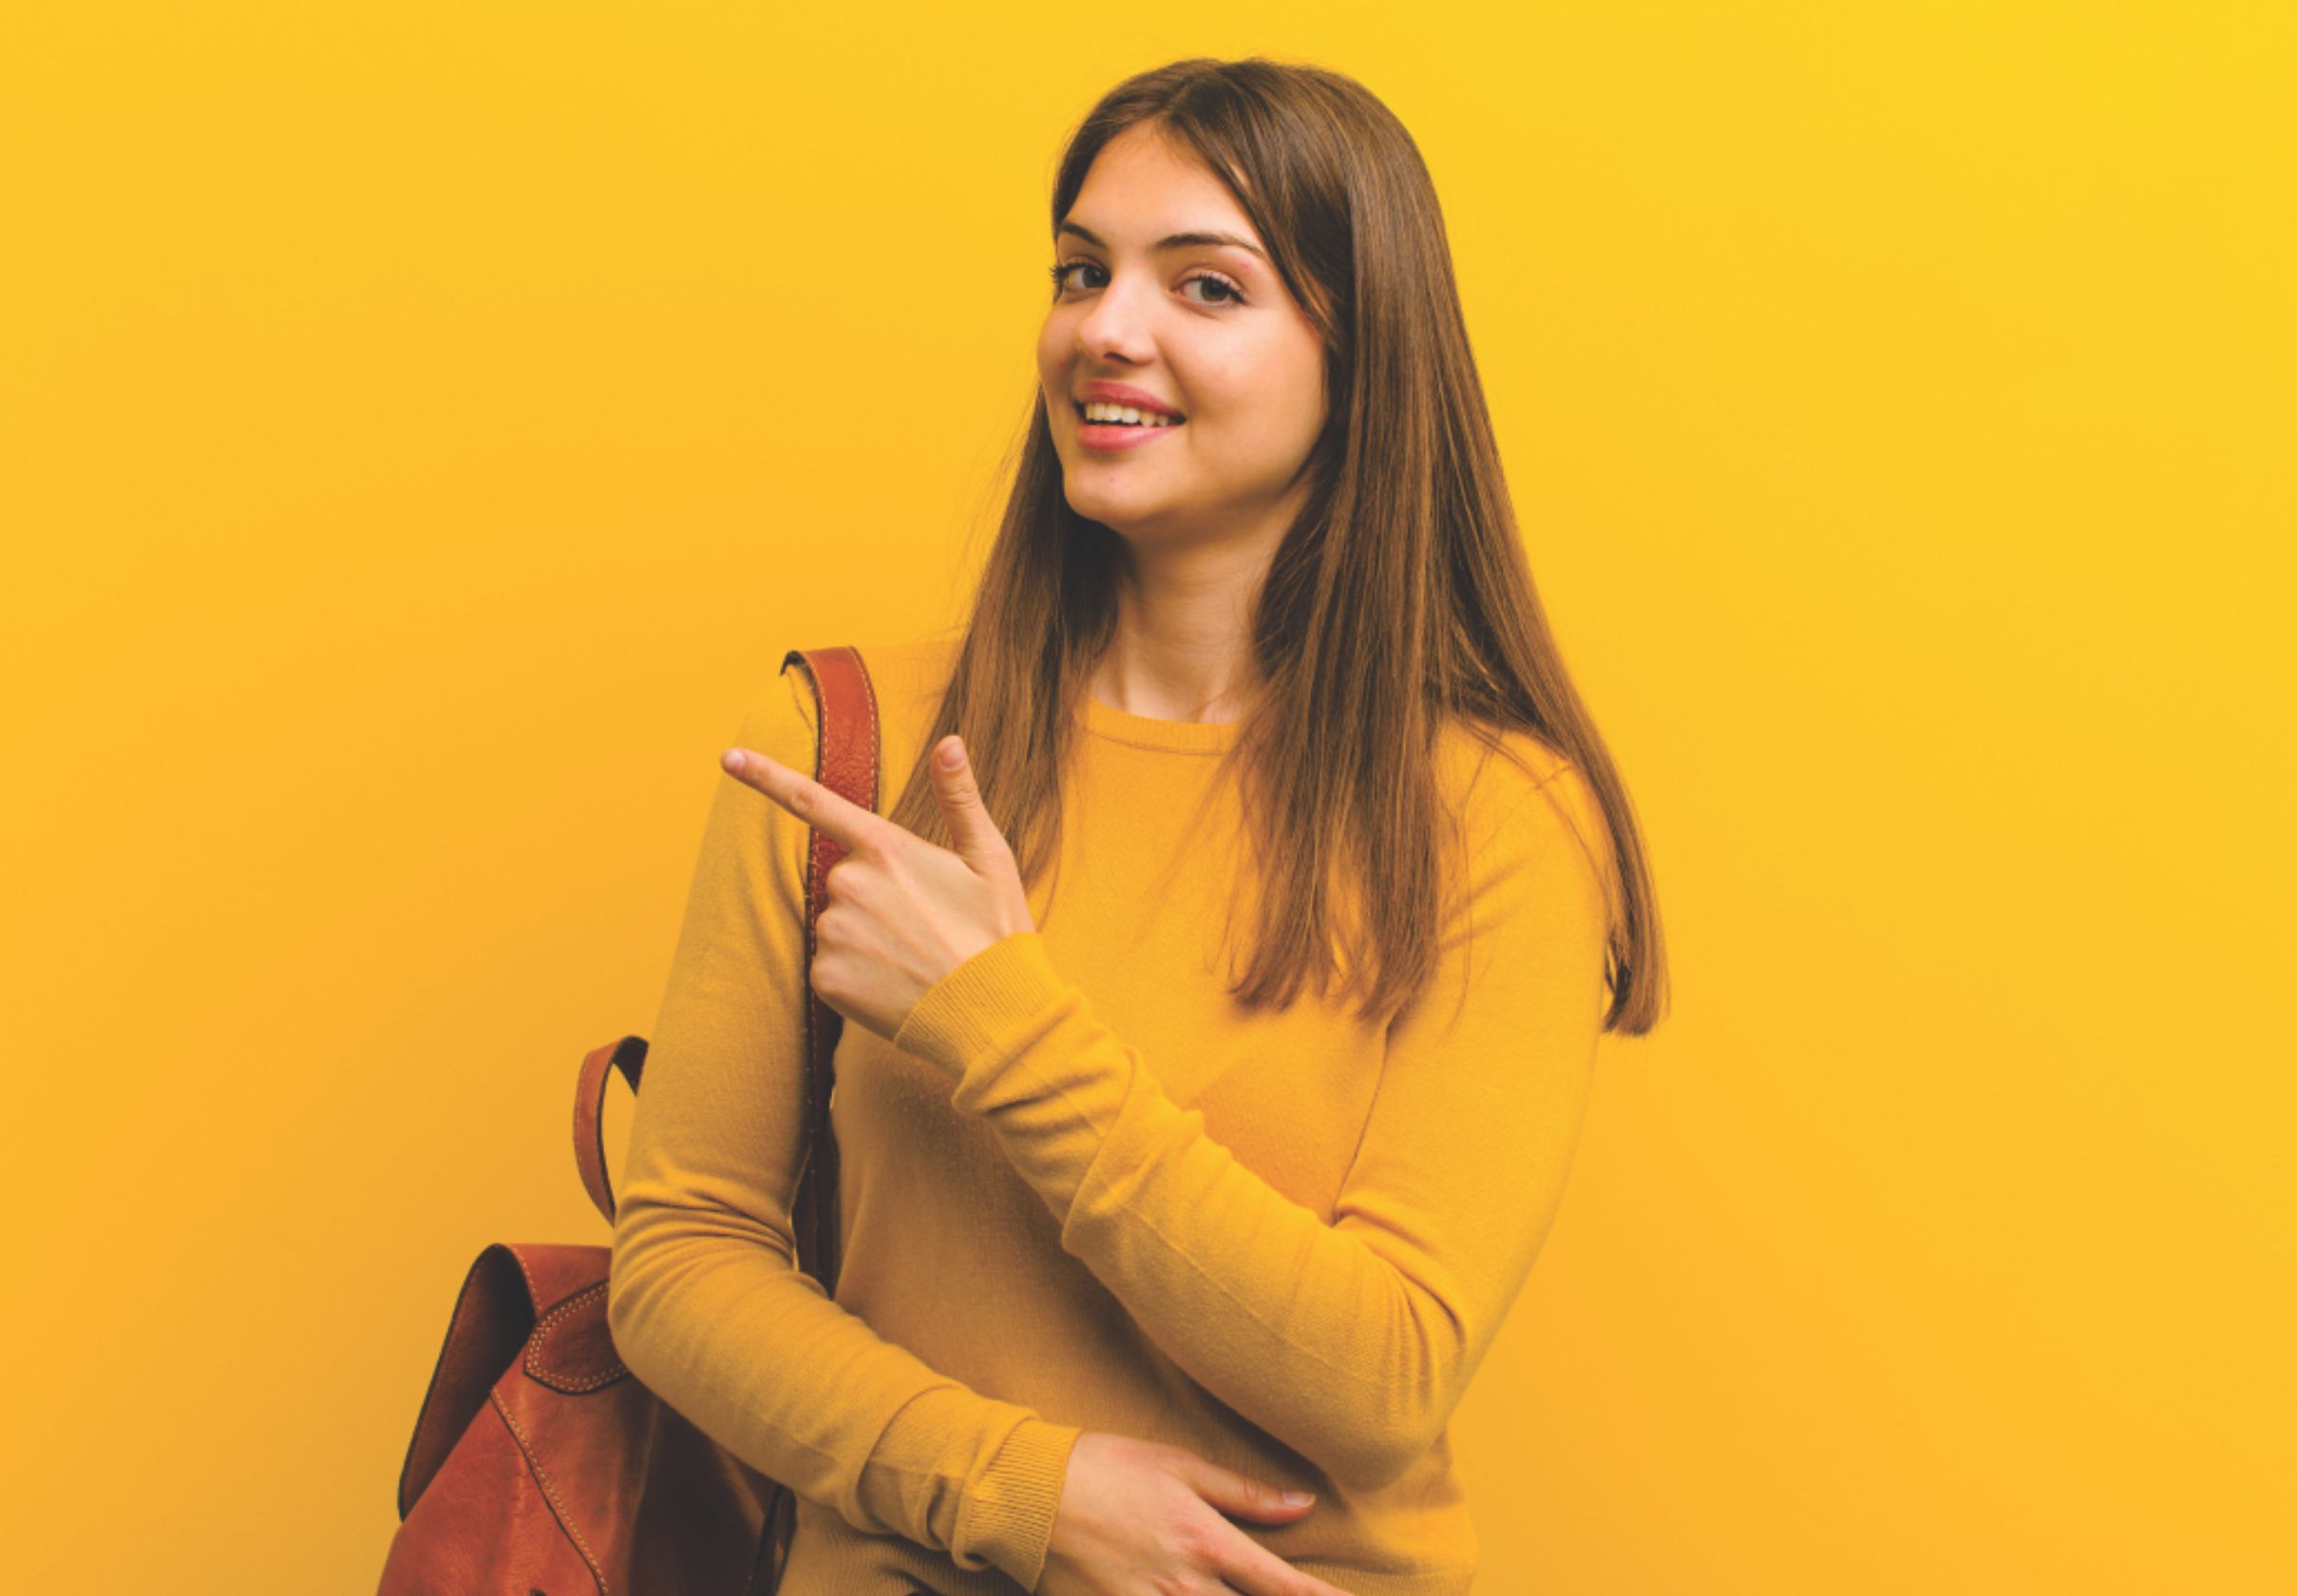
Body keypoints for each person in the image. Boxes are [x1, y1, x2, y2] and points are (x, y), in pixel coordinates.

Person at [609, 54, 1667, 1596]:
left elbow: (1381, 1379)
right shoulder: (849, 749)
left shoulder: (1497, 817)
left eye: (1209, 287)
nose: (1105, 325)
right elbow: (682, 1263)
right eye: (1081, 270)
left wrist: (997, 1017)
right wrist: (1027, 1489)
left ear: (1360, 360)